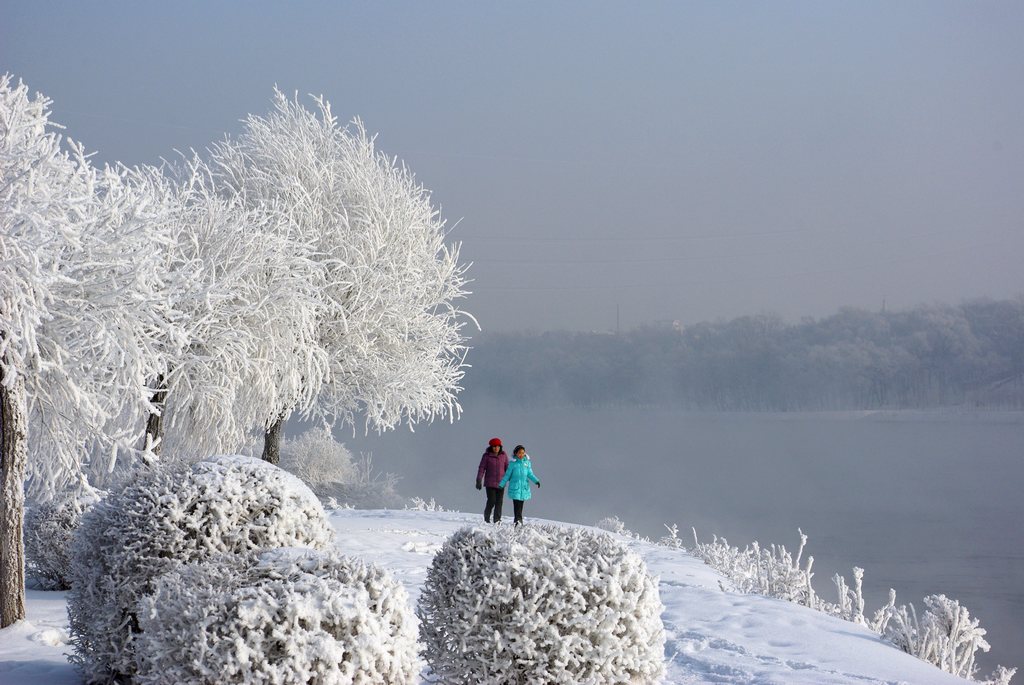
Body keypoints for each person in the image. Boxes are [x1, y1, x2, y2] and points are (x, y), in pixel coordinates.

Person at [498, 444, 540, 526]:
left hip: (524, 488)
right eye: (519, 453)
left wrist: (536, 481)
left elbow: (530, 474)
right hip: (515, 487)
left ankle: (518, 521)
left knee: (521, 505)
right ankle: (517, 521)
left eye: (523, 453)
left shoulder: (527, 463)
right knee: (517, 505)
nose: (521, 454)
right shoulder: (512, 463)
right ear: (516, 453)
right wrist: (501, 484)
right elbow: (507, 475)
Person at [476, 437, 509, 524]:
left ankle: (497, 520)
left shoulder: (504, 455)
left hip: (501, 483)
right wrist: (479, 480)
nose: (496, 448)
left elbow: (508, 468)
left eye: (498, 446)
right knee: (492, 500)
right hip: (490, 483)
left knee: (499, 502)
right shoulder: (486, 456)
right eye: (494, 446)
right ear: (491, 447)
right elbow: (482, 468)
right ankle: (487, 517)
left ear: (500, 447)